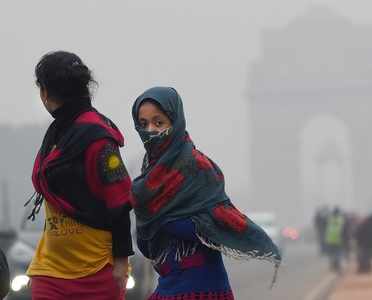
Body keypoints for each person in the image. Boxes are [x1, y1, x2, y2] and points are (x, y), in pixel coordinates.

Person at [131, 87, 282, 300]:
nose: (151, 131)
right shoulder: (146, 182)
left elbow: (213, 226)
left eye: (158, 122)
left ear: (175, 122)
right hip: (168, 287)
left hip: (204, 290)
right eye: (144, 124)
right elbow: (146, 244)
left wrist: (164, 221)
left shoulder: (198, 168)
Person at [25, 51, 135, 300]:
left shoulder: (99, 138)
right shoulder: (57, 133)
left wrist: (120, 260)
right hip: (50, 269)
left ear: (45, 93)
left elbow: (119, 200)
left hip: (97, 270)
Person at [325, 207, 345, 273]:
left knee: (331, 253)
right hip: (338, 239)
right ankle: (337, 265)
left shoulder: (330, 219)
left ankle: (332, 265)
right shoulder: (341, 219)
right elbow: (343, 229)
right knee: (338, 253)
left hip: (330, 239)